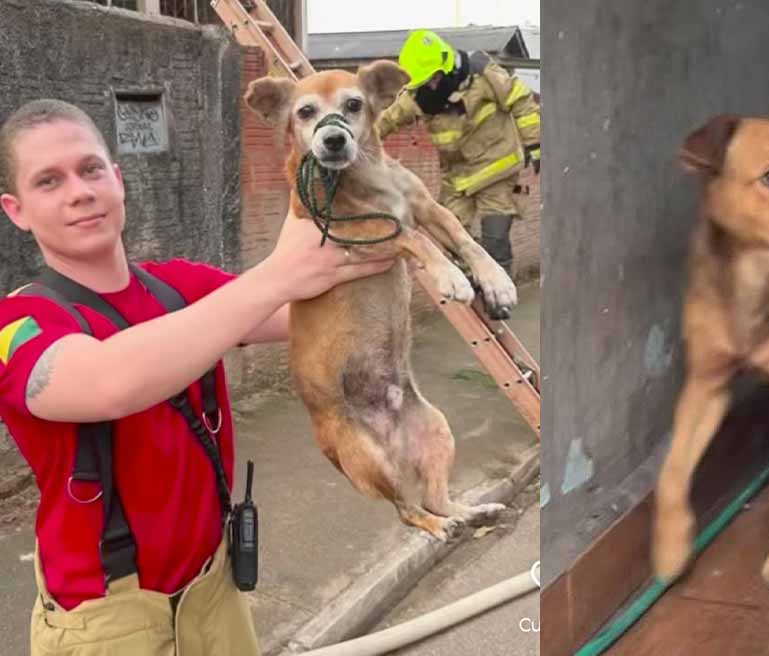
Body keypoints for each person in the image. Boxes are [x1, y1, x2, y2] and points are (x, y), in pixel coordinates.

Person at [0, 99, 393, 655]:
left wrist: (379, 217)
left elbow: (318, 318)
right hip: (106, 620)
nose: (79, 191)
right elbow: (105, 383)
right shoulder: (19, 322)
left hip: (215, 590)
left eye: (90, 169)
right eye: (48, 181)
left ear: (117, 179)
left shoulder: (176, 286)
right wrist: (277, 276)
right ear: (16, 210)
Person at [377, 29, 541, 276]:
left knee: (495, 239)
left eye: (433, 78)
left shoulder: (482, 73)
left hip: (497, 169)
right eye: (424, 81)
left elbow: (521, 100)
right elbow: (386, 121)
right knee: (449, 235)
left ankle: (498, 298)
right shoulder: (418, 98)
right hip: (458, 179)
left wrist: (536, 145)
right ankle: (470, 280)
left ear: (446, 65)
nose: (430, 86)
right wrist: (356, 140)